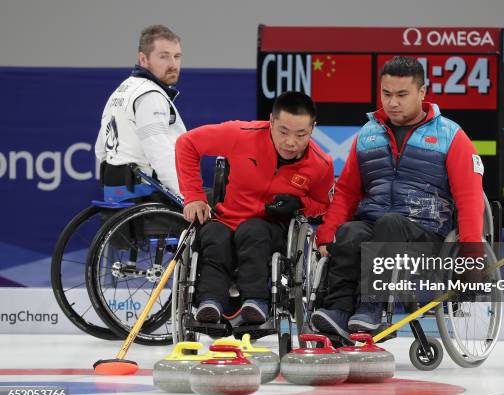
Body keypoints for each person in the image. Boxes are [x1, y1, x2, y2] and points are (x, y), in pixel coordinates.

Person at [310, 56, 485, 338]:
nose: (392, 102)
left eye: (402, 94)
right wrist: (327, 233)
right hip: (376, 227)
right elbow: (346, 191)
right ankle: (339, 310)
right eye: (386, 94)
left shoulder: (452, 136)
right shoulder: (367, 134)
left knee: (391, 223)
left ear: (422, 92)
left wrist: (472, 256)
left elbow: (469, 198)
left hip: (427, 236)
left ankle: (371, 308)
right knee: (350, 231)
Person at [175, 91, 335, 324]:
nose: (291, 142)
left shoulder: (321, 164)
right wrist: (194, 196)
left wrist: (300, 204)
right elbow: (186, 143)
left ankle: (256, 302)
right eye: (283, 131)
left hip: (270, 229)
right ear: (270, 121)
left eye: (301, 134)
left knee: (253, 231)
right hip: (227, 220)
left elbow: (324, 206)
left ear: (313, 128)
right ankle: (210, 302)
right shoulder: (241, 134)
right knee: (213, 236)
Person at [95, 24, 185, 198]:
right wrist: (188, 197)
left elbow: (101, 150)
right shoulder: (150, 96)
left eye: (177, 56)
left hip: (118, 193)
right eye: (164, 57)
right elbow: (161, 155)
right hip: (149, 193)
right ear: (143, 59)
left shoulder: (121, 90)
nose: (173, 64)